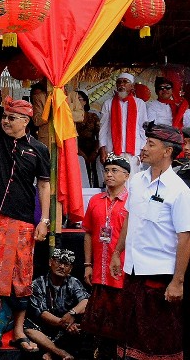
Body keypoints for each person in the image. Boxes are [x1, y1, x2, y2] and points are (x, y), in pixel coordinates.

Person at [0, 48, 50, 353]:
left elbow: (44, 186)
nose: (6, 121)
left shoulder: (39, 149)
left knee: (21, 275)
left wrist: (43, 219)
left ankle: (18, 331)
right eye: (5, 116)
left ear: (26, 121)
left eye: (12, 118)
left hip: (22, 217)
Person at [110, 122, 190, 360]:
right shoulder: (136, 181)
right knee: (131, 338)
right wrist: (117, 251)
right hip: (133, 271)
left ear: (167, 151)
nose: (143, 148)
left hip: (160, 276)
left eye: (150, 144)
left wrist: (178, 281)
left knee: (161, 342)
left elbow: (185, 238)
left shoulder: (179, 191)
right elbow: (129, 218)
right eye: (145, 142)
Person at [81, 153, 129, 359]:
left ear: (126, 176)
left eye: (114, 171)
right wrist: (87, 264)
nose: (109, 174)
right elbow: (88, 233)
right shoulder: (95, 200)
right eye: (107, 170)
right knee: (98, 325)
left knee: (121, 322)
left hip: (122, 273)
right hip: (99, 272)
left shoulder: (132, 202)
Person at [25, 249, 90, 360]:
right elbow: (42, 313)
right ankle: (60, 352)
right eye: (59, 262)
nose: (62, 266)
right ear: (51, 262)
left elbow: (86, 301)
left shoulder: (73, 282)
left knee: (84, 325)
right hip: (46, 324)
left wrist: (72, 313)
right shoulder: (38, 283)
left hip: (67, 325)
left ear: (70, 269)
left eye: (66, 264)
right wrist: (64, 324)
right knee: (26, 327)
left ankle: (50, 352)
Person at [99, 73, 149, 173]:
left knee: (133, 182)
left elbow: (142, 128)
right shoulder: (108, 103)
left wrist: (143, 148)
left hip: (134, 150)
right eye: (119, 82)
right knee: (114, 181)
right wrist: (102, 148)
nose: (122, 85)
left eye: (125, 82)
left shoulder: (139, 103)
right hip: (112, 150)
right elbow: (103, 128)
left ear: (132, 86)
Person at [76, 91, 101, 187]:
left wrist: (95, 151)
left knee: (95, 173)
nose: (76, 102)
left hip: (92, 149)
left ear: (85, 101)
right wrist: (80, 153)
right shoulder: (70, 118)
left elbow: (99, 135)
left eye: (79, 99)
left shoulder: (93, 117)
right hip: (77, 149)